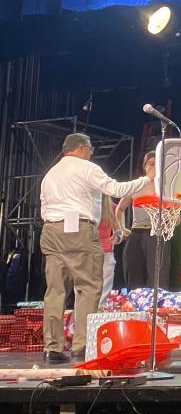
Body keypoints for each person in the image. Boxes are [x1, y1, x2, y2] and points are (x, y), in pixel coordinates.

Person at [39, 134, 149, 363]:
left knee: (55, 291)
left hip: (51, 229)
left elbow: (44, 205)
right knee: (88, 286)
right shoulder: (86, 168)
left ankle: (52, 347)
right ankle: (82, 344)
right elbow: (116, 188)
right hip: (79, 229)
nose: (91, 154)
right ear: (80, 148)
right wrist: (147, 179)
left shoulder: (50, 174)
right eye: (90, 149)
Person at [117, 151, 171, 291]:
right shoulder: (137, 186)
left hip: (157, 236)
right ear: (145, 166)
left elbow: (177, 219)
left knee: (158, 280)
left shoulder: (166, 187)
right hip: (136, 234)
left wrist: (168, 221)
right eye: (151, 164)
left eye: (157, 164)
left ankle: (156, 304)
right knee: (134, 278)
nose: (154, 167)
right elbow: (119, 209)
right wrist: (121, 229)